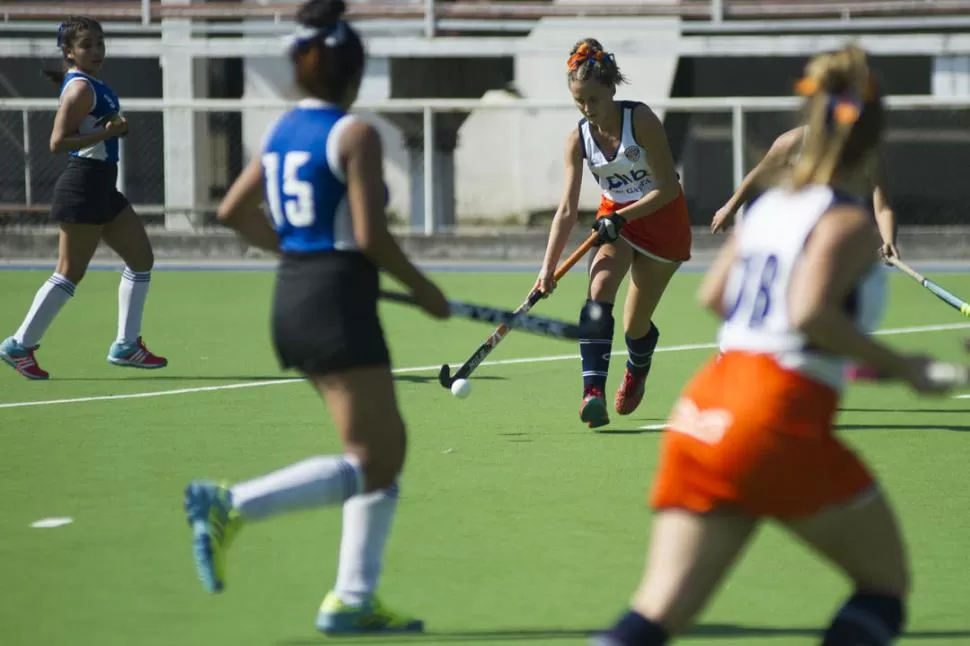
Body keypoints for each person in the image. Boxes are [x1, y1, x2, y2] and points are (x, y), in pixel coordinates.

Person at [593, 45, 966, 646]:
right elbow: (810, 313)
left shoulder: (771, 209)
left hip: (704, 414)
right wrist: (906, 368)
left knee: (657, 612)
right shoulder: (845, 223)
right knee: (884, 585)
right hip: (777, 419)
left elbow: (715, 297)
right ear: (871, 133)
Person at [182, 0, 450, 635]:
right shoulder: (352, 133)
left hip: (295, 295)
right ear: (353, 75)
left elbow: (233, 213)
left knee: (383, 453)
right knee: (376, 459)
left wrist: (300, 254)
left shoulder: (281, 131)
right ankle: (231, 504)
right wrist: (426, 290)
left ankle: (354, 597)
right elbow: (370, 236)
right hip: (336, 301)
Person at [535, 39, 692, 429]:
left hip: (662, 221)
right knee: (598, 290)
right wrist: (547, 268)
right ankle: (593, 394)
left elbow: (668, 187)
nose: (588, 109)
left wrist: (623, 218)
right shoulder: (578, 139)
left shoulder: (640, 121)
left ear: (610, 89)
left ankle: (638, 368)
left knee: (634, 326)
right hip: (615, 221)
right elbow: (568, 210)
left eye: (593, 98)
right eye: (579, 101)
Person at [0, 16, 166, 379]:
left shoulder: (93, 84)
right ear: (69, 52)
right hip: (83, 187)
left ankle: (126, 345)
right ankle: (19, 344)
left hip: (103, 187)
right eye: (87, 45)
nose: (96, 51)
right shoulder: (80, 89)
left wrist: (113, 131)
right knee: (69, 273)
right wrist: (107, 134)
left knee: (141, 259)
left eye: (100, 43)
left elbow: (99, 130)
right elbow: (57, 143)